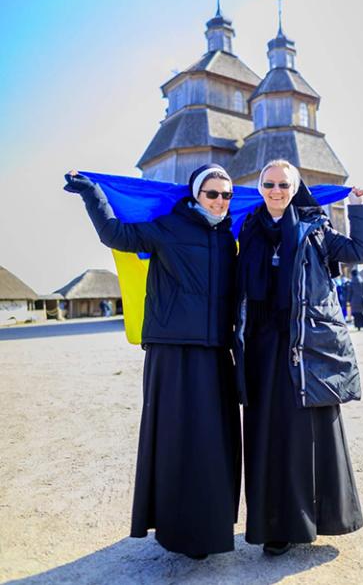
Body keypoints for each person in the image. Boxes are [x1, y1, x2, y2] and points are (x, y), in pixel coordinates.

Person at [64, 165, 241, 559]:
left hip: (215, 353)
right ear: (196, 195)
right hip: (173, 351)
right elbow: (116, 235)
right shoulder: (167, 227)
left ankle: (210, 527)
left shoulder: (229, 239)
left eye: (226, 195)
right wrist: (93, 193)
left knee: (214, 444)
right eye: (212, 194)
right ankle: (179, 530)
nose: (220, 201)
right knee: (179, 440)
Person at [234, 159, 363, 556]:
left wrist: (361, 209)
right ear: (260, 187)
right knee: (265, 436)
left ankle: (315, 519)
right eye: (269, 184)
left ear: (295, 188)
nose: (276, 190)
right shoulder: (247, 228)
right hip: (261, 349)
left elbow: (361, 250)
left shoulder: (317, 229)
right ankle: (274, 528)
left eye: (283, 184)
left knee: (306, 434)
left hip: (305, 347)